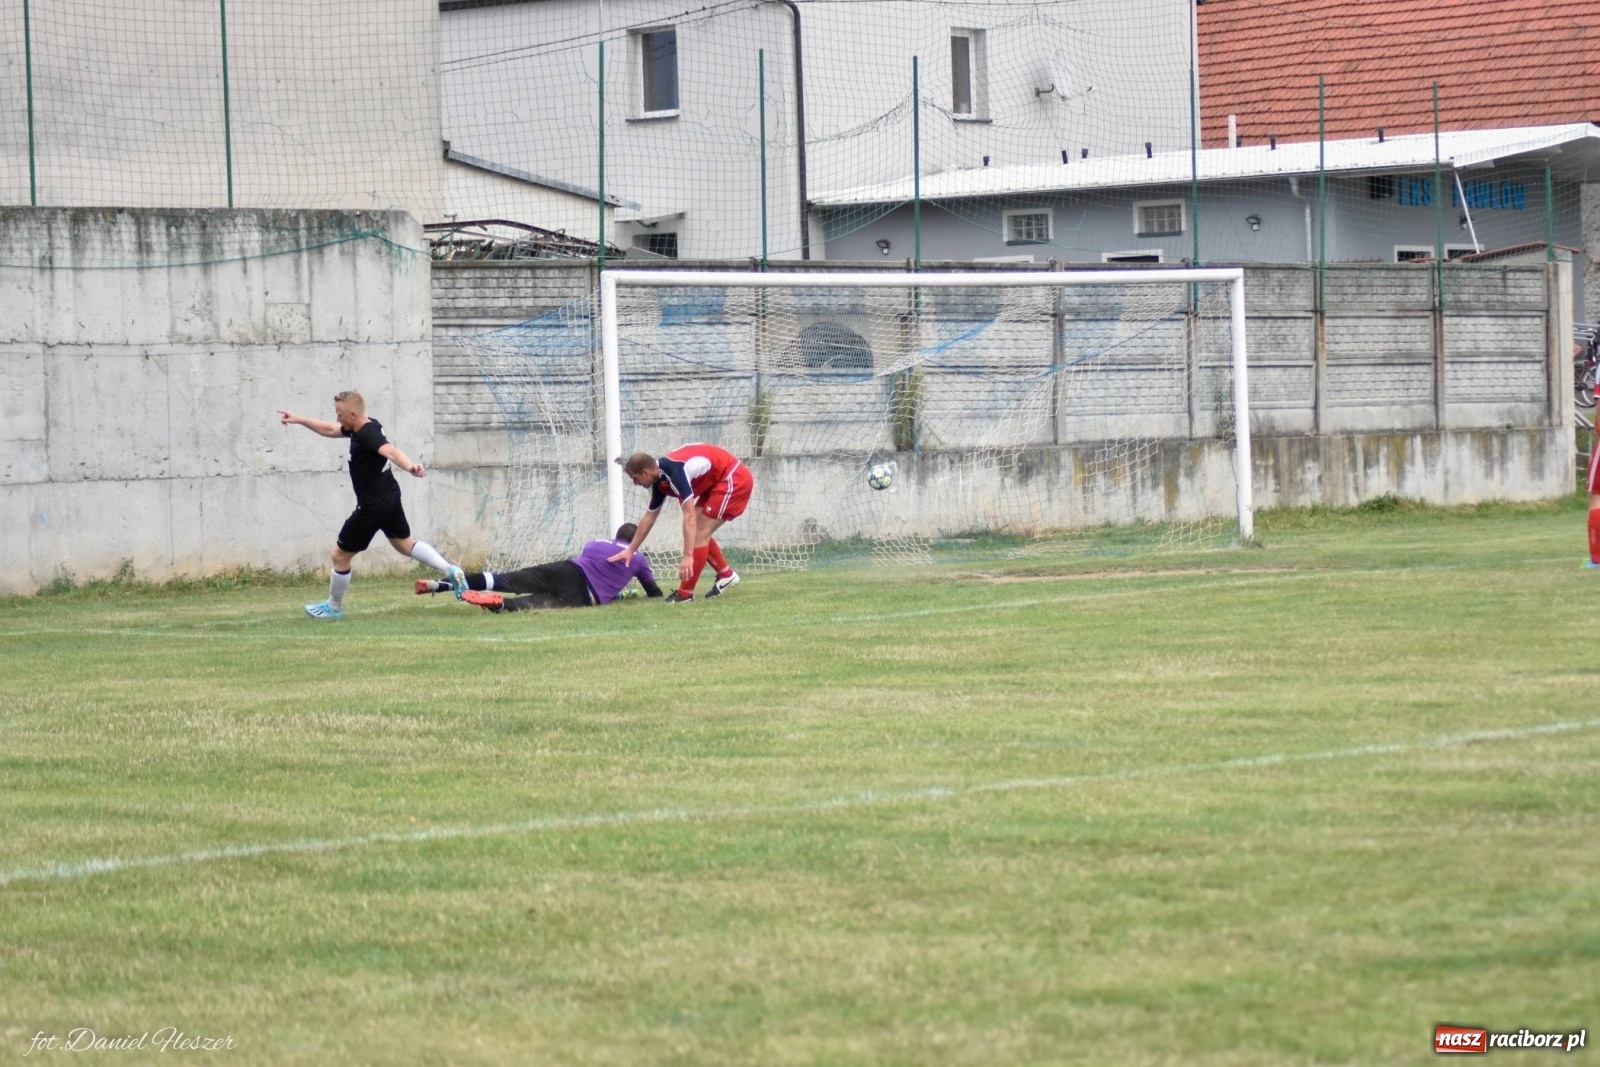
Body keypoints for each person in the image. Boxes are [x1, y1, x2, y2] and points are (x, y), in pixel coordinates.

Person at [278, 391, 464, 619]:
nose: (337, 418)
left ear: (353, 414)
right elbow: (330, 430)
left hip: (372, 506)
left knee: (340, 556)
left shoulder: (367, 434)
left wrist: (411, 467)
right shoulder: (365, 426)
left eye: (340, 414)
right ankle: (450, 570)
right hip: (389, 495)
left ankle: (333, 608)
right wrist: (299, 419)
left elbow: (391, 451)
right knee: (406, 545)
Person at [608, 444, 752, 602]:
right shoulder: (660, 479)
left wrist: (688, 556)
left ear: (645, 472)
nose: (636, 483)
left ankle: (685, 594)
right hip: (717, 480)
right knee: (695, 530)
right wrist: (630, 550)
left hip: (733, 478)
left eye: (635, 478)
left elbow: (689, 516)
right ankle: (726, 575)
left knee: (698, 532)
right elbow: (649, 516)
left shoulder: (675, 473)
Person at [419, 524, 662, 611]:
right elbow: (653, 592)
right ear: (636, 540)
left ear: (616, 535)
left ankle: (442, 585)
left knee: (503, 579)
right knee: (535, 603)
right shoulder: (638, 557)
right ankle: (501, 604)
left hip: (567, 569)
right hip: (585, 594)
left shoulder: (595, 542)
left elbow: (595, 564)